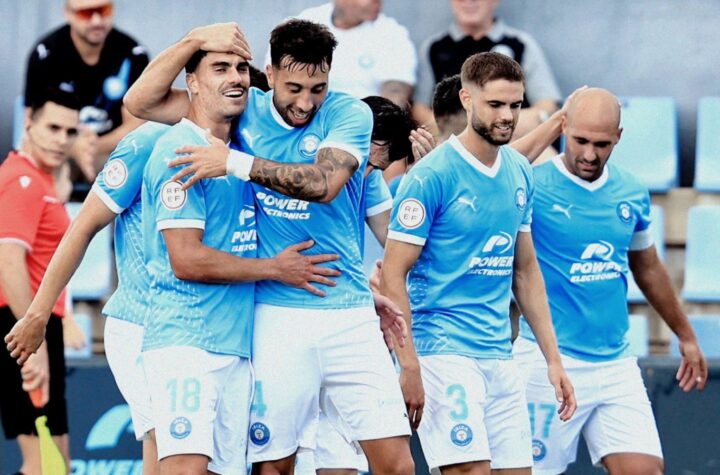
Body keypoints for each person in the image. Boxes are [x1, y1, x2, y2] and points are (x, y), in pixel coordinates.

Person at [124, 20, 415, 475]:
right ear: (271, 72)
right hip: (276, 316)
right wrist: (195, 41)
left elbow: (324, 184)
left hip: (349, 315)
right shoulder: (244, 109)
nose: (305, 103)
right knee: (273, 465)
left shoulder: (348, 114)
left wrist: (234, 162)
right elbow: (139, 101)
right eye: (294, 87)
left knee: (396, 463)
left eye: (317, 87)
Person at [380, 52, 576, 475]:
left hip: (499, 355)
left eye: (515, 105)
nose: (508, 116)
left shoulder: (520, 172)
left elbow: (525, 271)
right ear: (467, 100)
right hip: (443, 352)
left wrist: (552, 359)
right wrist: (409, 363)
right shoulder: (431, 176)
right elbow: (393, 275)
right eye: (496, 105)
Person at [513, 88, 708, 475]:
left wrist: (685, 335)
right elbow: (486, 174)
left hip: (615, 363)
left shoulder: (631, 192)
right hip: (546, 364)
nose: (589, 154)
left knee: (645, 470)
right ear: (564, 128)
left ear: (618, 137)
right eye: (580, 140)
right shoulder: (531, 185)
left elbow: (647, 267)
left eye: (601, 144)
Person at [0, 89, 80, 475]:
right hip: (22, 330)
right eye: (53, 127)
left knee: (56, 466)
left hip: (36, 327)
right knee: (44, 467)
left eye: (70, 131)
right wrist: (36, 344)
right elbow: (8, 261)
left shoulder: (40, 180)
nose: (62, 139)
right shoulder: (22, 182)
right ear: (28, 121)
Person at [24, 0, 149, 196]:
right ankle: (53, 224)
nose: (97, 20)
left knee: (138, 170)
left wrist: (93, 146)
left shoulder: (132, 54)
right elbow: (33, 124)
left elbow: (138, 126)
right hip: (61, 148)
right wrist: (73, 146)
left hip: (111, 150)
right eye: (86, 13)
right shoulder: (47, 54)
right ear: (68, 13)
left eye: (104, 10)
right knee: (39, 168)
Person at [414, 0, 561, 138]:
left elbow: (548, 105)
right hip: (453, 143)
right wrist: (458, 132)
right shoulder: (434, 48)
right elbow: (419, 109)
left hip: (510, 142)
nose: (469, 1)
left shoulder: (520, 44)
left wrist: (509, 121)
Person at [288, 0, 417, 107]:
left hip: (368, 125)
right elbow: (281, 83)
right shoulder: (302, 26)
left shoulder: (393, 34)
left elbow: (396, 93)